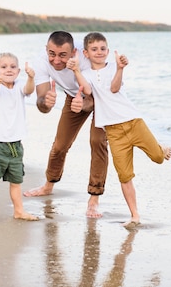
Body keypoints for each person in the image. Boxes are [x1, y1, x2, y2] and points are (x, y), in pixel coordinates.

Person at [67, 32, 171, 229]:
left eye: (103, 48)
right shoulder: (86, 74)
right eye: (94, 49)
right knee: (124, 175)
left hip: (133, 123)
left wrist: (121, 68)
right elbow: (88, 91)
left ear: (108, 50)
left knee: (158, 158)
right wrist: (75, 70)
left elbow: (114, 88)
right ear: (86, 53)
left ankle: (161, 148)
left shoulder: (114, 67)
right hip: (113, 132)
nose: (99, 52)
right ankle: (134, 215)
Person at [23, 31, 109, 218]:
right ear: (46, 50)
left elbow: (98, 95)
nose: (56, 60)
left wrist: (85, 104)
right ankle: (48, 185)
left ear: (74, 51)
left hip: (103, 97)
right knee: (60, 145)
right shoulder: (41, 61)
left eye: (63, 55)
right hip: (74, 95)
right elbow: (41, 104)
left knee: (97, 141)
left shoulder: (87, 58)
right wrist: (46, 102)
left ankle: (94, 199)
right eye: (51, 54)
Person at [0, 52, 39, 226]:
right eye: (3, 67)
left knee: (16, 181)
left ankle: (19, 210)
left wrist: (31, 77)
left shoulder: (20, 85)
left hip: (16, 144)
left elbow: (28, 90)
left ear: (18, 70)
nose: (8, 70)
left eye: (12, 67)